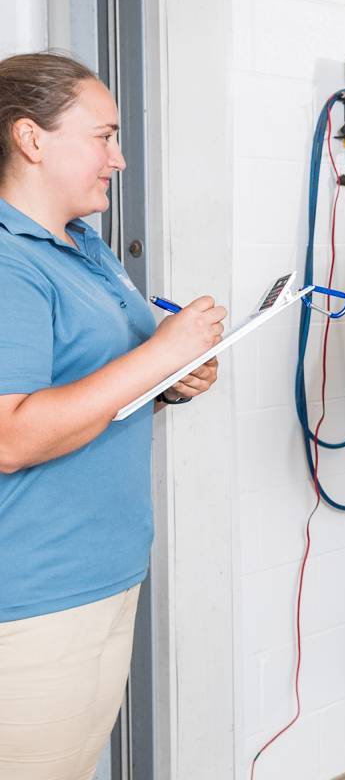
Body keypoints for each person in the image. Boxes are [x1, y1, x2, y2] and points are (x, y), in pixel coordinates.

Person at [0, 52, 226, 779]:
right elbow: (11, 435)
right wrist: (160, 354)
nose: (119, 158)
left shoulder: (83, 245)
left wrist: (170, 378)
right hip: (32, 592)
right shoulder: (9, 262)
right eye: (103, 136)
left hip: (104, 570)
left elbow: (90, 383)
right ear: (32, 140)